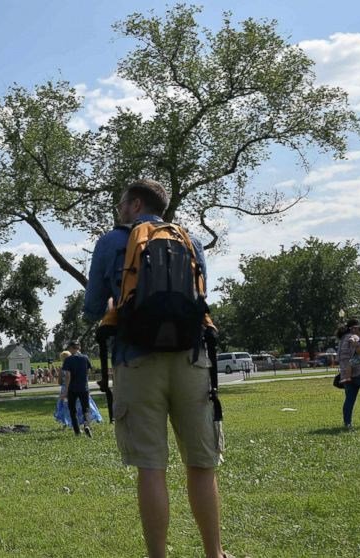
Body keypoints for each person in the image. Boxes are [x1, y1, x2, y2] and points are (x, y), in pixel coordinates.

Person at [84, 179, 230, 558]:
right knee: (201, 464)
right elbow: (200, 296)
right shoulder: (190, 240)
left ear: (134, 204)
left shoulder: (110, 242)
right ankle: (214, 554)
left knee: (151, 467)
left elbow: (92, 306)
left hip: (137, 360)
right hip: (191, 357)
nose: (119, 210)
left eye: (121, 204)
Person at [61, 340, 101, 437]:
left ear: (71, 348)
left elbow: (67, 376)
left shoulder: (68, 360)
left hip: (72, 388)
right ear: (79, 348)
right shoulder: (85, 358)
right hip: (84, 387)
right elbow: (88, 373)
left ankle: (77, 431)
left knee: (72, 410)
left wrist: (65, 391)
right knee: (86, 408)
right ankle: (87, 425)